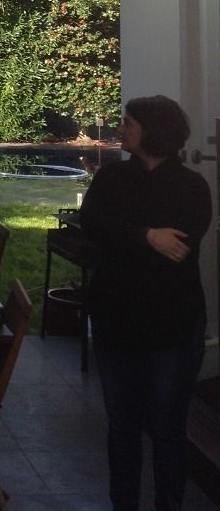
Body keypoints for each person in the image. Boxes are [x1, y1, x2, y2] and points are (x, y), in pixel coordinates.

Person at [80, 95, 212, 511]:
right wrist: (147, 236)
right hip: (115, 321)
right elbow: (91, 224)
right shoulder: (112, 177)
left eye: (130, 123)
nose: (121, 129)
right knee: (121, 427)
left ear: (153, 132)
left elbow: (178, 248)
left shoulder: (191, 187)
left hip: (172, 328)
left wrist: (125, 237)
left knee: (168, 429)